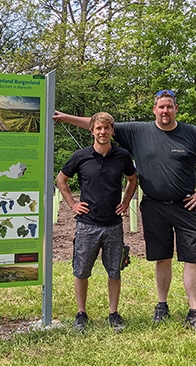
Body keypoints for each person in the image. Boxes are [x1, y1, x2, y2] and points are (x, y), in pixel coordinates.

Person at [53, 90, 196, 336]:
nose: (165, 111)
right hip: (153, 205)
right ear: (154, 110)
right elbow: (98, 124)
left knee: (192, 257)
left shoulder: (192, 133)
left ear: (176, 109)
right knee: (162, 257)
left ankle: (194, 311)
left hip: (186, 205)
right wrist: (65, 117)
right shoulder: (138, 131)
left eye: (169, 107)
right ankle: (162, 305)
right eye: (161, 107)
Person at [56, 112, 138, 332]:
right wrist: (73, 203)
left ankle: (113, 313)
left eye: (106, 128)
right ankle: (81, 313)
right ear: (92, 130)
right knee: (81, 271)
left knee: (114, 270)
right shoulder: (80, 156)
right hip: (87, 225)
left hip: (113, 225)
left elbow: (133, 179)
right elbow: (61, 179)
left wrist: (126, 201)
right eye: (98, 129)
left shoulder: (122, 156)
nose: (102, 133)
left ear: (112, 131)